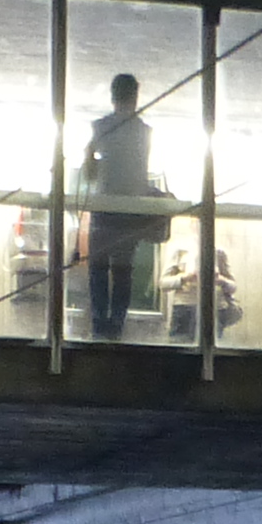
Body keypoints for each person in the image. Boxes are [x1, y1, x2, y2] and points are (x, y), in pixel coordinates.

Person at [77, 71, 166, 342]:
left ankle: (99, 322)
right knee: (123, 269)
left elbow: (90, 171)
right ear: (135, 97)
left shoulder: (100, 127)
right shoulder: (144, 132)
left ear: (113, 96)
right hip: (131, 209)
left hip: (105, 206)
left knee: (98, 267)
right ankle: (116, 324)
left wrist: (92, 158)